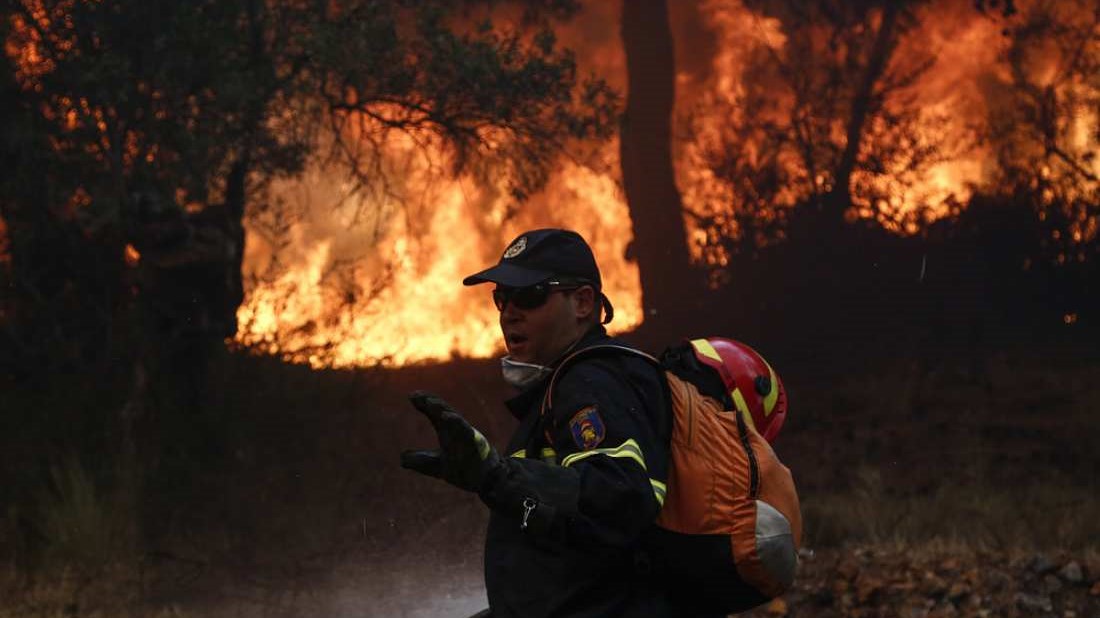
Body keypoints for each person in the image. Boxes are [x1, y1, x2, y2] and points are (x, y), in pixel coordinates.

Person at [400, 228, 678, 617]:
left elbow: (620, 500)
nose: (510, 312)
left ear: (583, 302)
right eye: (502, 298)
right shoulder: (566, 385)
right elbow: (564, 544)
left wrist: (496, 476)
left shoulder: (591, 382)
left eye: (530, 295)